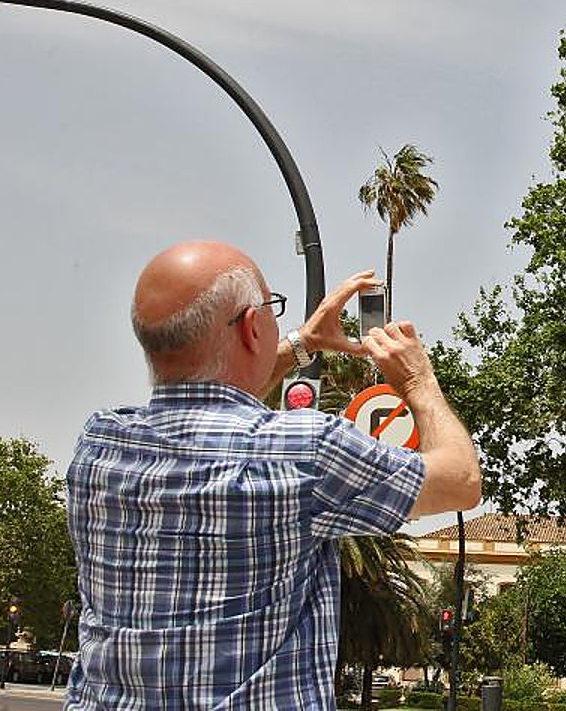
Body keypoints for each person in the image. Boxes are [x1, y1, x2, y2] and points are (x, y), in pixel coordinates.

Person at [64, 240, 480, 710]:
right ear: (249, 328)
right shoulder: (305, 452)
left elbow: (211, 403)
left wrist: (304, 344)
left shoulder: (99, 446)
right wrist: (418, 380)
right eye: (269, 307)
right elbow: (459, 480)